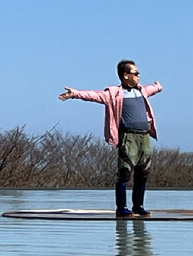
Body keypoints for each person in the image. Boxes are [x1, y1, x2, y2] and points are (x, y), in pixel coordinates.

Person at [59, 60, 162, 217]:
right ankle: (121, 208)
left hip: (144, 136)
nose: (139, 76)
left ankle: (138, 206)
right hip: (128, 136)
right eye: (135, 73)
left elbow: (152, 89)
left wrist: (158, 86)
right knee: (125, 172)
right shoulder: (114, 94)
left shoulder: (142, 91)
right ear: (125, 76)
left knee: (143, 172)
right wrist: (75, 94)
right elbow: (94, 95)